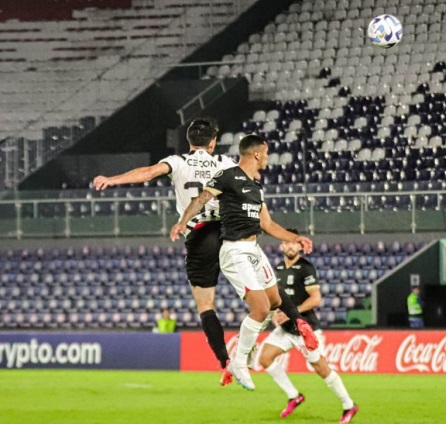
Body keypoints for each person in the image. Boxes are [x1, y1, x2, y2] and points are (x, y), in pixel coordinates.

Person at [170, 134, 318, 391]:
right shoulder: (228, 176)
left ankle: (250, 345)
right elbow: (201, 199)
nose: (268, 158)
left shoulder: (256, 187)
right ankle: (239, 363)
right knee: (260, 307)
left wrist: (295, 238)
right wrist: (183, 222)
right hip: (234, 250)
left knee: (274, 300)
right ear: (257, 154)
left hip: (253, 249)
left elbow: (267, 224)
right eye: (266, 153)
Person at [93, 117, 235, 383]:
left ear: (189, 142)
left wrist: (111, 180)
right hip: (229, 230)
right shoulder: (225, 162)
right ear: (213, 143)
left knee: (206, 305)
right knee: (256, 289)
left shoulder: (177, 161)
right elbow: (246, 182)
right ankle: (291, 318)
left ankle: (224, 361)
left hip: (199, 234)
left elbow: (147, 173)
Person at [258, 229, 359, 423]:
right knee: (265, 358)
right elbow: (276, 298)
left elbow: (316, 298)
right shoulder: (277, 268)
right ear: (281, 246)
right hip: (286, 328)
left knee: (321, 368)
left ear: (299, 246)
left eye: (294, 243)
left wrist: (291, 312)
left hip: (305, 329)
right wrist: (275, 314)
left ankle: (349, 405)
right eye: (287, 242)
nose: (290, 246)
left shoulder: (306, 268)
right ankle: (294, 396)